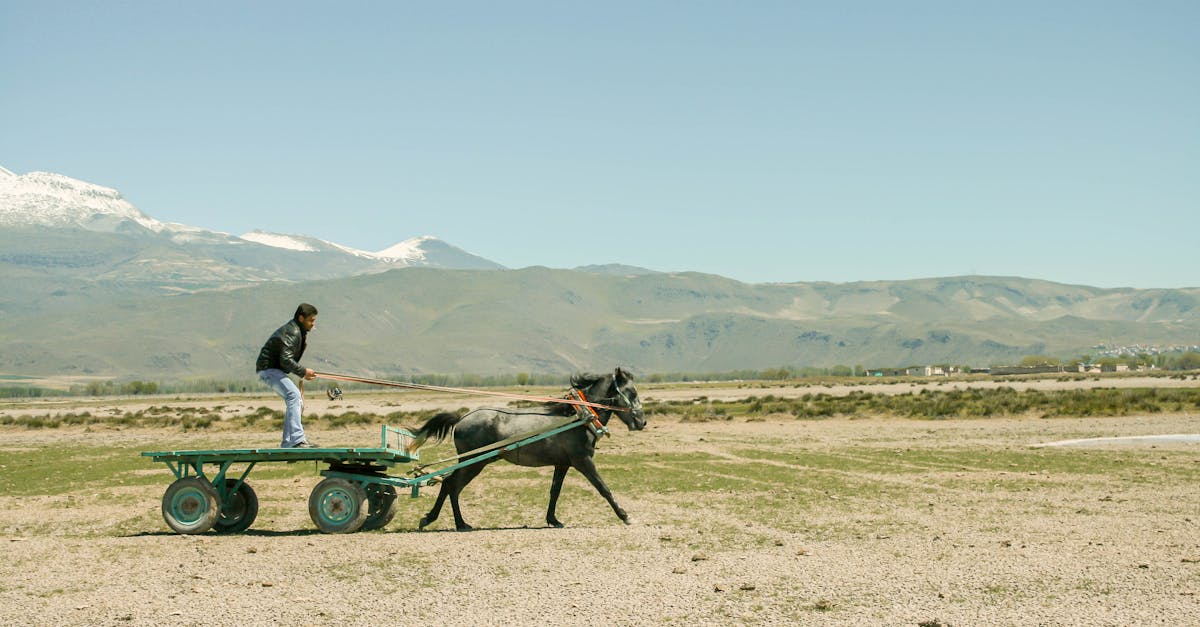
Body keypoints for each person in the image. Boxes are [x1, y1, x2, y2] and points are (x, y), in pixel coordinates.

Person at [256, 303, 319, 448]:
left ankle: (288, 442)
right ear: (301, 318)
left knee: (294, 398)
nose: (313, 324)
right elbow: (285, 359)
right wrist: (303, 372)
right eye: (311, 320)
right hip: (268, 369)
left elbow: (285, 361)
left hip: (272, 369)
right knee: (294, 395)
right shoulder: (293, 332)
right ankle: (297, 440)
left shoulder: (297, 331)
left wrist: (302, 373)